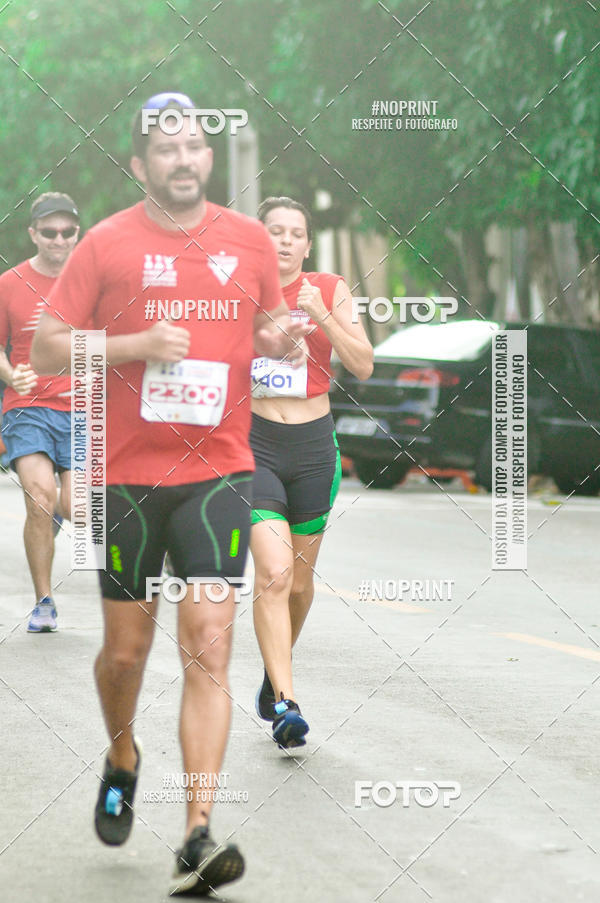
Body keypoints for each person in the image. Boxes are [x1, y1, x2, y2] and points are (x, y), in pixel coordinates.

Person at [31, 94, 308, 896]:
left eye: (194, 146)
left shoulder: (249, 241)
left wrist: (278, 336)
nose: (182, 159)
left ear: (208, 158)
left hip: (218, 467)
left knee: (210, 642)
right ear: (139, 163)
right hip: (125, 475)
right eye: (165, 148)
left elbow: (266, 325)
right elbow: (49, 341)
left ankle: (196, 829)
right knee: (125, 652)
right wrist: (135, 345)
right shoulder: (108, 243)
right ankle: (122, 754)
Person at [249, 197, 373, 748]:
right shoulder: (237, 292)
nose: (284, 240)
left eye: (295, 233)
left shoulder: (329, 287)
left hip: (313, 449)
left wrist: (320, 315)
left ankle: (275, 673)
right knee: (273, 575)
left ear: (307, 244)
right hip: (254, 448)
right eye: (274, 230)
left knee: (299, 584)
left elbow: (363, 363)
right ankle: (287, 704)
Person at [0, 192, 80, 632]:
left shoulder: (94, 283)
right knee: (38, 498)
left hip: (80, 409)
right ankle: (43, 602)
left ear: (76, 234)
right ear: (33, 234)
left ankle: (47, 521)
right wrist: (11, 375)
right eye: (49, 231)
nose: (58, 239)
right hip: (27, 408)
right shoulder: (9, 283)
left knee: (76, 507)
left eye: (67, 231)